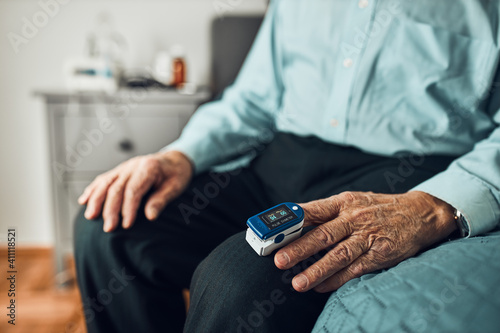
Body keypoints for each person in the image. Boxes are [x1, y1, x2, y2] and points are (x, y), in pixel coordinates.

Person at [74, 1, 500, 332]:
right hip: (282, 156)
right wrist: (179, 155)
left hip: (401, 174)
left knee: (240, 280)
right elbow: (254, 101)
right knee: (108, 225)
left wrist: (438, 205)